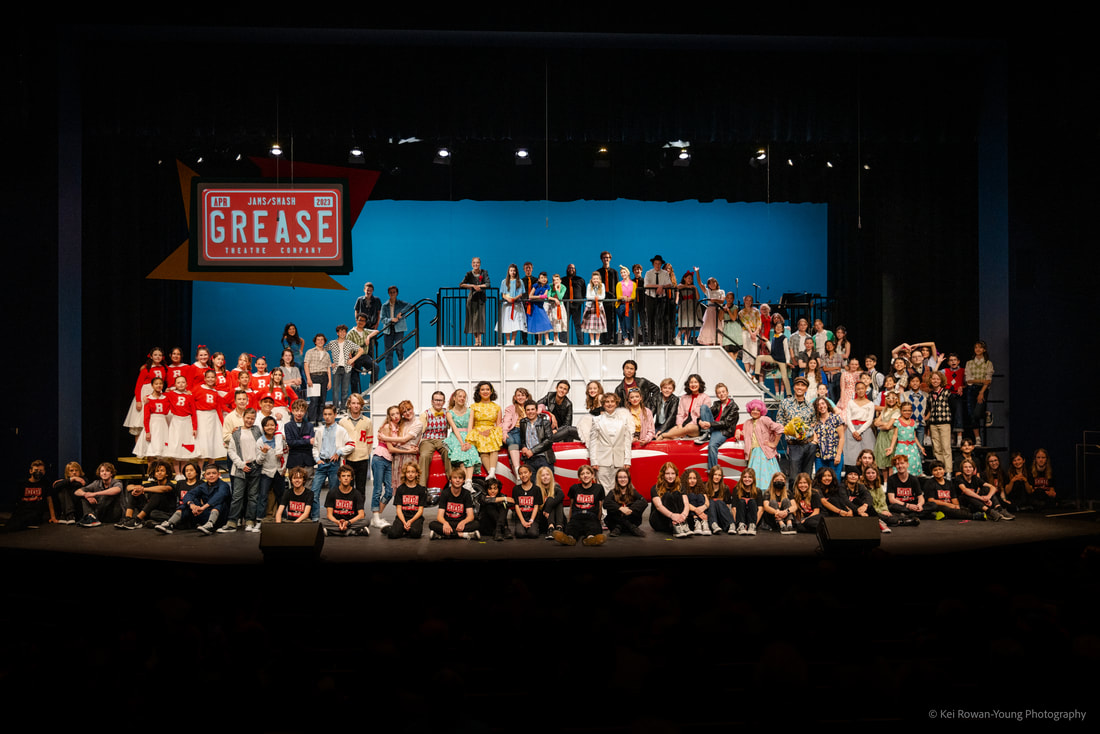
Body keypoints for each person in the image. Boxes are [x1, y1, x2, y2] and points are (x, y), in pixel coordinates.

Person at [155, 463, 230, 535]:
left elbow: (219, 497)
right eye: (208, 474)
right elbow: (189, 495)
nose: (211, 475)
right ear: (205, 476)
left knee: (219, 503)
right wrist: (192, 505)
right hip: (206, 514)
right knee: (189, 503)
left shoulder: (224, 485)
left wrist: (203, 508)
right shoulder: (203, 486)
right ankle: (169, 524)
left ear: (219, 475)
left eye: (214, 473)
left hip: (220, 517)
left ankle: (210, 525)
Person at [310, 404, 354, 521]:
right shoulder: (319, 430)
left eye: (330, 414)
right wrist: (317, 459)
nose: (327, 417)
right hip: (322, 463)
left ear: (335, 415)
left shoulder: (341, 430)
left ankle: (334, 518)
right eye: (325, 414)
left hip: (334, 464)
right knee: (314, 491)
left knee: (334, 492)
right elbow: (315, 447)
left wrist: (339, 452)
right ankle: (315, 518)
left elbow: (351, 445)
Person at [223, 408, 263, 533]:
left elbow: (262, 446)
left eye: (252, 418)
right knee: (237, 496)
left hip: (255, 467)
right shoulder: (236, 433)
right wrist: (240, 464)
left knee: (253, 496)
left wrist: (258, 460)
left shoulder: (257, 431)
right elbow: (231, 451)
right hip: (240, 468)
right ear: (243, 417)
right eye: (248, 418)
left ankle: (250, 521)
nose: (250, 420)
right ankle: (232, 522)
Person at [585, 392, 632, 489]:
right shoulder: (596, 420)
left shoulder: (624, 419)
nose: (610, 404)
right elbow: (593, 442)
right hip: (602, 460)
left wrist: (627, 460)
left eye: (612, 401)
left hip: (619, 459)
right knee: (603, 488)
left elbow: (627, 441)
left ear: (616, 403)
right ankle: (604, 505)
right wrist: (594, 461)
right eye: (607, 402)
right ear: (603, 404)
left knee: (619, 488)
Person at [554, 464, 607, 546]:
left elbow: (600, 507)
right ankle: (569, 538)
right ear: (579, 477)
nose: (585, 475)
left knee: (593, 527)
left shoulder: (598, 488)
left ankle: (590, 539)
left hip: (591, 517)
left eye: (588, 473)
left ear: (592, 475)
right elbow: (571, 506)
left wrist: (598, 521)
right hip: (577, 517)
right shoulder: (574, 488)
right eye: (582, 474)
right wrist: (569, 521)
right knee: (572, 528)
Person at [116, 459, 176, 530]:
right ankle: (127, 519)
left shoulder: (170, 484)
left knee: (156, 501)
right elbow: (129, 487)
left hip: (163, 513)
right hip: (150, 511)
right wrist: (136, 489)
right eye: (157, 471)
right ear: (154, 474)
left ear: (167, 473)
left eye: (162, 471)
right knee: (134, 492)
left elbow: (164, 489)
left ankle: (137, 520)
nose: (159, 473)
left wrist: (143, 489)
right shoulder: (152, 484)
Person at [339, 392, 373, 512]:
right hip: (348, 459)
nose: (356, 406)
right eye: (353, 403)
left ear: (361, 405)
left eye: (358, 403)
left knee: (361, 487)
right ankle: (349, 510)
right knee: (347, 486)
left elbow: (369, 440)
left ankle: (360, 511)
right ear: (349, 405)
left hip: (362, 458)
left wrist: (365, 452)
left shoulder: (367, 421)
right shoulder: (343, 422)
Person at [736, 398, 784, 483]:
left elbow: (780, 428)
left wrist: (774, 443)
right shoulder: (747, 422)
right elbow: (747, 434)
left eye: (758, 410)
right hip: (753, 454)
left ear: (761, 411)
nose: (755, 412)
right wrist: (738, 431)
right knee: (753, 479)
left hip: (764, 453)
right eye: (753, 409)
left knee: (764, 479)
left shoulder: (764, 419)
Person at [777, 376, 815, 479]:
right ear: (794, 387)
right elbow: (779, 422)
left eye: (803, 385)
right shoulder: (785, 403)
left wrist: (813, 440)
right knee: (794, 477)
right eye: (798, 385)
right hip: (794, 445)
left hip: (808, 445)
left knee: (807, 477)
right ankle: (793, 495)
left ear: (806, 389)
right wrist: (788, 431)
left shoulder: (810, 406)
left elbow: (813, 423)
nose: (800, 387)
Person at [654, 374, 711, 441]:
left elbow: (704, 415)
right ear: (688, 384)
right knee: (666, 438)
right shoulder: (684, 397)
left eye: (695, 382)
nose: (693, 384)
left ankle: (663, 435)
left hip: (697, 426)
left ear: (700, 384)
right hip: (684, 424)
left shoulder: (705, 397)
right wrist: (680, 426)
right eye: (691, 382)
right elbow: (680, 414)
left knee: (688, 427)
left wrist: (684, 430)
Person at [443, 389, 481, 489]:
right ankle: (466, 482)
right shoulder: (449, 413)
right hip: (456, 437)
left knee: (471, 452)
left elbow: (470, 427)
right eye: (460, 396)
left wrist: (468, 441)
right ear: (454, 398)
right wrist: (461, 443)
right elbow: (454, 429)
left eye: (464, 397)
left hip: (468, 435)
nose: (462, 398)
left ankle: (469, 482)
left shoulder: (470, 411)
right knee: (461, 455)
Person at [2, 460, 55, 532]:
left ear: (44, 472)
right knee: (14, 520)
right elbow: (17, 500)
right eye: (36, 470)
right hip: (22, 510)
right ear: (30, 471)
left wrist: (53, 517)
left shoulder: (45, 484)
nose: (38, 472)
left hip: (35, 512)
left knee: (24, 520)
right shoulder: (22, 483)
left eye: (41, 470)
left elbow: (49, 500)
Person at [124, 347, 167, 436]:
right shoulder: (146, 369)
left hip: (157, 395)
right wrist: (138, 401)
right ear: (151, 357)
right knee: (140, 425)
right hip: (145, 394)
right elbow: (138, 386)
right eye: (155, 355)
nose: (158, 357)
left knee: (154, 424)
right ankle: (138, 449)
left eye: (160, 355)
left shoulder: (164, 368)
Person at [696, 382, 739, 468]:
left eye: (723, 392)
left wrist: (710, 424)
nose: (721, 394)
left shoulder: (733, 407)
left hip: (723, 431)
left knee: (712, 445)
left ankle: (712, 471)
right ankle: (706, 433)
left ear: (727, 392)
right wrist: (699, 421)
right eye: (719, 393)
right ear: (717, 395)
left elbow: (726, 423)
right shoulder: (717, 404)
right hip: (712, 427)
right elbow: (706, 414)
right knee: (704, 407)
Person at [430, 468, 481, 540]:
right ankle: (463, 535)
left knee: (476, 524)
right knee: (432, 524)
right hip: (448, 522)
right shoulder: (445, 493)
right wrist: (445, 523)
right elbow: (439, 516)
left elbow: (471, 516)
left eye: (460, 478)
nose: (457, 480)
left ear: (463, 480)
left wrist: (463, 522)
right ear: (450, 480)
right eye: (455, 478)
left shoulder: (466, 493)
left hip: (461, 524)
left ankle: (443, 535)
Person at [416, 391, 451, 492]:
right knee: (424, 456)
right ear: (432, 401)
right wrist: (416, 445)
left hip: (442, 439)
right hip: (428, 440)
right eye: (436, 400)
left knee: (449, 453)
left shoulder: (447, 413)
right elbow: (420, 431)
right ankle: (422, 487)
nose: (438, 402)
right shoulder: (425, 414)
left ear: (444, 402)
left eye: (440, 400)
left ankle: (452, 482)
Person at [469, 381, 504, 481]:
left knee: (493, 443)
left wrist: (491, 431)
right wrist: (480, 432)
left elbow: (498, 424)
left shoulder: (497, 407)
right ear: (479, 392)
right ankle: (491, 475)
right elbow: (471, 425)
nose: (485, 391)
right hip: (477, 430)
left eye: (487, 389)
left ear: (491, 391)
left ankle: (492, 473)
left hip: (491, 430)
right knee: (483, 449)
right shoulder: (473, 406)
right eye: (482, 389)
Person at [648, 461, 690, 538]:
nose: (670, 476)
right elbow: (659, 506)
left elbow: (686, 503)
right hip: (658, 520)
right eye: (667, 473)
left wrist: (683, 516)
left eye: (672, 473)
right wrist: (672, 516)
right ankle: (677, 526)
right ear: (663, 475)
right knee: (667, 495)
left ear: (676, 475)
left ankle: (680, 525)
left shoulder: (680, 487)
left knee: (676, 493)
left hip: (675, 520)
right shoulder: (655, 488)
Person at [386, 463, 429, 539]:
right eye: (408, 472)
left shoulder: (421, 490)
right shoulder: (400, 489)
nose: (410, 474)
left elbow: (420, 510)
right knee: (392, 534)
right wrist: (404, 522)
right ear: (405, 474)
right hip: (403, 517)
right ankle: (393, 528)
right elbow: (398, 509)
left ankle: (403, 530)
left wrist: (410, 521)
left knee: (415, 534)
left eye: (413, 472)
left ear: (416, 474)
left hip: (415, 518)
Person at [74, 462, 123, 527]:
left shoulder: (117, 482)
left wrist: (94, 494)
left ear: (111, 473)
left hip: (113, 514)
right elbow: (77, 491)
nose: (104, 473)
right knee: (84, 497)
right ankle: (91, 517)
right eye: (102, 471)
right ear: (99, 474)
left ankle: (92, 517)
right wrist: (86, 495)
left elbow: (117, 490)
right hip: (101, 514)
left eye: (107, 471)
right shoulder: (96, 483)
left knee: (107, 495)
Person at [323, 466, 368, 536]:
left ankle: (332, 532)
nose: (346, 478)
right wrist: (338, 522)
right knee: (322, 521)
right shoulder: (332, 492)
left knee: (366, 521)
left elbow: (361, 514)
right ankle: (353, 532)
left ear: (351, 478)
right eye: (343, 476)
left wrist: (348, 523)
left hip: (351, 522)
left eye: (348, 476)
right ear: (339, 478)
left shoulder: (357, 494)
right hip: (336, 521)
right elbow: (329, 515)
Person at [134, 376, 170, 462]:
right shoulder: (148, 398)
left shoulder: (166, 397)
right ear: (152, 385)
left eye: (160, 383)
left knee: (162, 450)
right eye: (156, 384)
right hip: (152, 424)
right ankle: (150, 474)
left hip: (162, 424)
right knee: (150, 451)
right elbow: (146, 417)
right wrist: (147, 432)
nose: (159, 385)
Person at [964, 341, 993, 446]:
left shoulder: (988, 363)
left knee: (977, 413)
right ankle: (977, 438)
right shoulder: (969, 363)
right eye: (976, 347)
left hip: (983, 389)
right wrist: (981, 380)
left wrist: (981, 391)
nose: (978, 349)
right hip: (971, 389)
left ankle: (986, 414)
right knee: (971, 414)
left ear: (984, 350)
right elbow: (968, 380)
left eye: (980, 348)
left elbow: (988, 380)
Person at [603, 467, 646, 537]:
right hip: (615, 523)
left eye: (625, 477)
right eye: (620, 477)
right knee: (612, 505)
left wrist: (629, 509)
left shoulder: (633, 491)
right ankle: (631, 527)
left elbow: (644, 502)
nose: (623, 479)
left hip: (630, 520)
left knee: (638, 503)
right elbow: (605, 503)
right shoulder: (612, 492)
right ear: (617, 480)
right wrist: (620, 508)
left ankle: (619, 527)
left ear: (628, 479)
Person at [517, 399, 556, 472]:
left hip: (544, 457)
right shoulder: (523, 422)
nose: (530, 412)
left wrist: (532, 451)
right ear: (525, 411)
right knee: (532, 483)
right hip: (529, 459)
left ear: (536, 410)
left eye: (532, 409)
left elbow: (549, 441)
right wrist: (524, 447)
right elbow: (522, 439)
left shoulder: (545, 422)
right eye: (528, 410)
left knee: (546, 482)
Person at [810, 396, 844, 474]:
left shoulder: (836, 418)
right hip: (820, 457)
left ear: (827, 404)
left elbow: (841, 438)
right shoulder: (815, 421)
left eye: (823, 403)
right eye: (818, 405)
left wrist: (838, 455)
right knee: (820, 481)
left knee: (835, 481)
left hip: (835, 455)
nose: (821, 406)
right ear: (816, 408)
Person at [643, 255, 673, 345]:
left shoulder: (665, 273)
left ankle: (659, 339)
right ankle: (650, 340)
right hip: (650, 297)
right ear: (653, 264)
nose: (657, 265)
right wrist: (658, 286)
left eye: (659, 263)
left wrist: (662, 286)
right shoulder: (648, 273)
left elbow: (670, 284)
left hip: (661, 298)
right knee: (650, 318)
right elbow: (646, 285)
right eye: (656, 263)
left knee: (660, 318)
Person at [460, 258, 490, 346]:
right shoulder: (469, 274)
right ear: (471, 264)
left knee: (480, 319)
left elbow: (488, 284)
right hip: (472, 299)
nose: (475, 264)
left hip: (481, 299)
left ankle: (479, 340)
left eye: (477, 263)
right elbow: (461, 284)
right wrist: (472, 285)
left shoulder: (484, 272)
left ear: (480, 263)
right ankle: (476, 341)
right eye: (474, 263)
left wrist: (479, 286)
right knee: (473, 319)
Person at [379, 285, 410, 371]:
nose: (392, 294)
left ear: (397, 293)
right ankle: (389, 370)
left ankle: (400, 359)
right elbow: (382, 318)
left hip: (399, 328)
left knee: (399, 347)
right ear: (388, 293)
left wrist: (401, 313)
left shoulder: (400, 303)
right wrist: (391, 320)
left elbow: (410, 306)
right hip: (388, 329)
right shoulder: (384, 305)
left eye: (394, 292)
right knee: (388, 350)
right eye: (391, 292)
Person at [889, 402, 924, 476]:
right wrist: (891, 447)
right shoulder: (898, 422)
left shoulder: (913, 422)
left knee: (913, 464)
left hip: (912, 448)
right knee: (902, 464)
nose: (907, 412)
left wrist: (921, 447)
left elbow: (914, 437)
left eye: (909, 410)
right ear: (901, 411)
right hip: (902, 447)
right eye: (904, 410)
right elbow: (895, 436)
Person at [304, 333, 332, 423]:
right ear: (315, 342)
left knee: (322, 401)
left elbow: (328, 367)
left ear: (324, 341)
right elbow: (306, 365)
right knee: (314, 401)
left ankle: (319, 420)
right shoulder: (310, 352)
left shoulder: (327, 354)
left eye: (322, 340)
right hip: (314, 377)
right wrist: (308, 378)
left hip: (324, 377)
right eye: (318, 340)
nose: (320, 341)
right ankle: (312, 421)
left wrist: (330, 381)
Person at [346, 313, 378, 394]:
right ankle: (355, 395)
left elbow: (376, 331)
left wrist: (368, 337)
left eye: (363, 321)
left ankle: (372, 385)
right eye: (360, 320)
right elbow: (347, 347)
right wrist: (351, 359)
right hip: (355, 356)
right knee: (354, 378)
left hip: (364, 356)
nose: (361, 322)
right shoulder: (351, 333)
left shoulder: (366, 331)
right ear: (356, 320)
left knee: (375, 367)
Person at [510, 465, 542, 540]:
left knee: (533, 534)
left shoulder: (536, 489)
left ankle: (534, 526)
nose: (523, 475)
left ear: (530, 473)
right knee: (520, 534)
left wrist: (531, 520)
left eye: (525, 472)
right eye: (520, 473)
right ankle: (521, 527)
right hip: (521, 518)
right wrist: (523, 521)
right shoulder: (516, 489)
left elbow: (536, 506)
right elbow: (516, 506)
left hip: (532, 518)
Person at [479, 476, 515, 541]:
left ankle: (499, 529)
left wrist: (502, 501)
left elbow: (512, 502)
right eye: (490, 489)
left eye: (495, 489)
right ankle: (504, 528)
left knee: (504, 505)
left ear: (498, 489)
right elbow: (486, 500)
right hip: (486, 526)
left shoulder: (501, 495)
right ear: (487, 489)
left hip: (497, 526)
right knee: (489, 505)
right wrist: (504, 499)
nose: (492, 491)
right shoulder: (483, 495)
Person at [701, 465, 734, 534]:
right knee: (712, 502)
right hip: (710, 516)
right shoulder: (705, 486)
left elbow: (727, 506)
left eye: (719, 475)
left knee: (719, 502)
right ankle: (714, 525)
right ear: (711, 475)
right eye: (715, 474)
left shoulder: (725, 488)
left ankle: (731, 525)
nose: (717, 477)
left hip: (722, 516)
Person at [534, 465, 566, 538]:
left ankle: (559, 527)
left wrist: (547, 509)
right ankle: (551, 528)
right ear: (539, 478)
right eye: (543, 475)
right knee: (550, 499)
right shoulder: (537, 489)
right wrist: (547, 508)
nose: (545, 477)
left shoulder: (556, 486)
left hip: (557, 517)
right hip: (544, 519)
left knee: (555, 500)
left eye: (547, 475)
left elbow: (562, 495)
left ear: (551, 476)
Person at [500, 264, 526, 346]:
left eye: (514, 271)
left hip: (516, 304)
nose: (513, 272)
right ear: (509, 272)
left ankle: (513, 341)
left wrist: (514, 299)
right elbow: (503, 294)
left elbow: (521, 293)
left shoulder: (520, 281)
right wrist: (508, 299)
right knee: (507, 322)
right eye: (511, 271)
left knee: (515, 322)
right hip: (507, 305)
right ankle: (507, 341)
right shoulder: (504, 281)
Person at [596, 251, 619, 344]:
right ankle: (603, 340)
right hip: (602, 300)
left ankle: (612, 340)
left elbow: (617, 285)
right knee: (602, 321)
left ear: (610, 259)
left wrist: (617, 299)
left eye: (608, 257)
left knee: (612, 321)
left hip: (612, 300)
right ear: (602, 259)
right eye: (604, 257)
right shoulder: (598, 272)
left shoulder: (614, 272)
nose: (606, 259)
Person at [526, 272, 554, 345]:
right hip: (534, 306)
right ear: (539, 279)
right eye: (542, 278)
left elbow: (545, 295)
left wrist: (543, 296)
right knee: (544, 321)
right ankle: (547, 340)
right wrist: (539, 297)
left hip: (540, 306)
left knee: (542, 322)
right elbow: (530, 296)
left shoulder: (547, 287)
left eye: (545, 277)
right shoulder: (535, 286)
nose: (544, 279)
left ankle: (539, 342)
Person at [731, 467, 761, 535]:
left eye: (750, 477)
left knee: (752, 501)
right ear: (742, 478)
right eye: (745, 477)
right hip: (740, 518)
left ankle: (751, 526)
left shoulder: (758, 491)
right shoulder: (736, 490)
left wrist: (755, 523)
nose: (747, 479)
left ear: (753, 479)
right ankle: (741, 526)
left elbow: (760, 509)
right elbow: (734, 508)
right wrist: (737, 523)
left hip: (753, 518)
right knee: (741, 501)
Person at [563, 263, 587, 345]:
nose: (571, 269)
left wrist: (579, 300)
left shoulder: (580, 280)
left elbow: (584, 292)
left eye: (573, 268)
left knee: (578, 325)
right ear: (567, 270)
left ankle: (580, 343)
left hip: (577, 306)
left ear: (575, 270)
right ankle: (563, 342)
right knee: (564, 324)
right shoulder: (563, 280)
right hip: (565, 305)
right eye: (569, 268)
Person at [675, 270, 700, 345]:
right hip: (685, 306)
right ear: (684, 278)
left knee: (690, 325)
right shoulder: (681, 286)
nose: (690, 280)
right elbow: (678, 287)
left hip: (692, 306)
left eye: (691, 279)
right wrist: (688, 286)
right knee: (685, 324)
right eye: (688, 278)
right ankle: (678, 337)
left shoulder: (693, 287)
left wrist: (695, 288)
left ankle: (686, 341)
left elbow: (698, 297)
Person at [582, 271, 607, 345]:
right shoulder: (589, 285)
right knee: (590, 324)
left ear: (599, 279)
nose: (595, 280)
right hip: (590, 306)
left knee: (598, 324)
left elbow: (603, 296)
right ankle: (592, 341)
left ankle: (597, 340)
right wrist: (595, 297)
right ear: (592, 279)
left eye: (597, 279)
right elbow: (588, 296)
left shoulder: (602, 285)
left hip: (599, 306)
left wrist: (597, 298)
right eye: (594, 279)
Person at [615, 266, 637, 345]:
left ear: (628, 273)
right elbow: (618, 296)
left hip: (630, 305)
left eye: (624, 272)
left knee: (629, 324)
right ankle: (626, 338)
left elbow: (634, 295)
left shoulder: (633, 284)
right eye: (621, 273)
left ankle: (633, 338)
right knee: (622, 323)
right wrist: (624, 297)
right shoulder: (619, 284)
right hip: (621, 305)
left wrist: (630, 298)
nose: (623, 274)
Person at [547, 272, 568, 345]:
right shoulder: (550, 286)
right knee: (554, 322)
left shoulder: (563, 287)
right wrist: (555, 299)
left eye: (557, 280)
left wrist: (556, 289)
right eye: (554, 280)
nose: (555, 281)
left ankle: (557, 340)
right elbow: (548, 296)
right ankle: (556, 339)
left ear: (560, 280)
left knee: (560, 322)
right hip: (553, 306)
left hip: (560, 306)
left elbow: (560, 297)